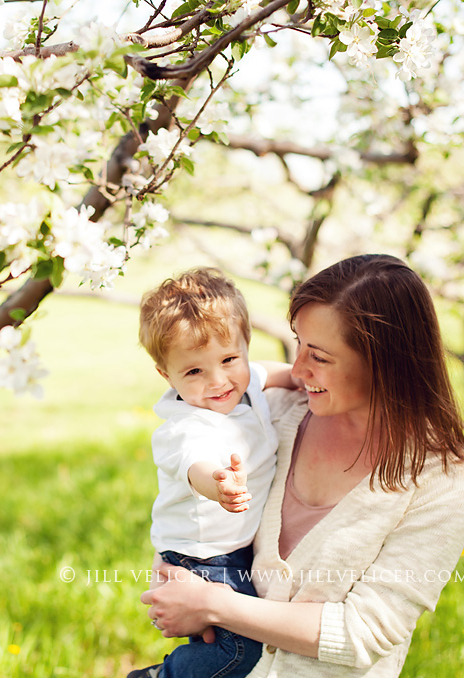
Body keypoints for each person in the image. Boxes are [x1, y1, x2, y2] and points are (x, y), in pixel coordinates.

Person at [138, 254, 464, 678]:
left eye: (318, 356)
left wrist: (212, 604)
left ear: (383, 361)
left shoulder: (443, 478)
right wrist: (171, 572)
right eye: (297, 343)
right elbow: (187, 471)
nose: (298, 368)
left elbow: (364, 632)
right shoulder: (277, 413)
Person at [133, 267, 297, 678]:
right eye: (194, 372)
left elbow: (270, 373)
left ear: (244, 347)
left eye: (229, 359)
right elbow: (196, 466)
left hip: (233, 546)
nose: (218, 380)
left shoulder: (247, 382)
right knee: (243, 650)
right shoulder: (185, 425)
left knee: (220, 642)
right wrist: (218, 485)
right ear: (165, 375)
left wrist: (302, 379)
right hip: (203, 557)